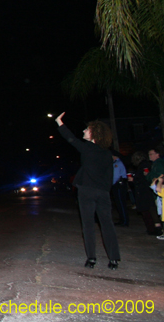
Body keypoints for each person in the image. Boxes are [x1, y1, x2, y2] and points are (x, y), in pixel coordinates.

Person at [54, 112, 120, 270]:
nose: (84, 131)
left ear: (94, 134)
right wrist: (105, 190)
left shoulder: (87, 149)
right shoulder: (107, 153)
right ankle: (114, 259)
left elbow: (71, 139)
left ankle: (91, 258)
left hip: (87, 191)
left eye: (86, 130)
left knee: (88, 225)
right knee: (107, 224)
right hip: (103, 192)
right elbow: (109, 176)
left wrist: (59, 122)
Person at [111, 153, 129, 227]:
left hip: (119, 185)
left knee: (121, 203)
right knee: (119, 203)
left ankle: (124, 221)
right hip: (119, 184)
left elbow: (115, 176)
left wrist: (111, 184)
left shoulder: (117, 164)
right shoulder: (116, 163)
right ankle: (122, 220)